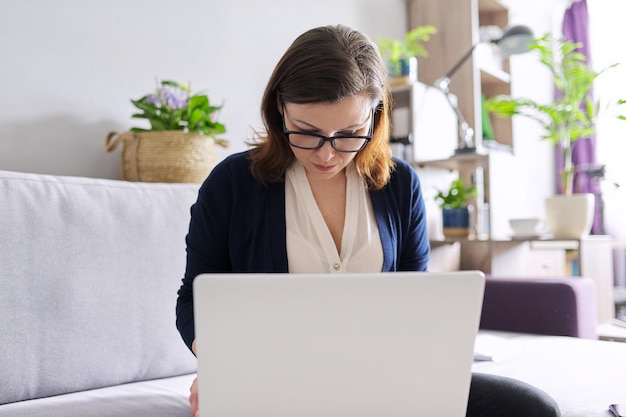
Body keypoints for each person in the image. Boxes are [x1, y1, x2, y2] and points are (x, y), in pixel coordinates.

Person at [175, 24, 560, 417]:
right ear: (280, 108)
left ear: (375, 117)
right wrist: (223, 367)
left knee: (532, 409)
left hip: (386, 379)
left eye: (349, 133)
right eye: (307, 133)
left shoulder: (399, 184)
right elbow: (193, 298)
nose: (327, 154)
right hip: (273, 381)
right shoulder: (232, 184)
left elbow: (416, 299)